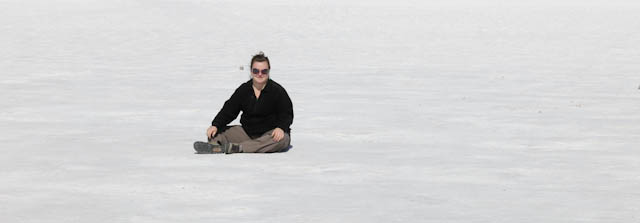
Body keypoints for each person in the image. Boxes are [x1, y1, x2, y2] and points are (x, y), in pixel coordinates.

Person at [193, 52, 293, 154]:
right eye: (256, 71)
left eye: (264, 71)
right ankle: (215, 146)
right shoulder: (244, 90)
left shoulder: (277, 91)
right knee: (216, 133)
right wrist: (215, 125)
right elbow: (229, 110)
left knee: (283, 139)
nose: (260, 74)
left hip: (269, 134)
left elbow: (287, 113)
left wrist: (281, 128)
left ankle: (239, 148)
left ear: (268, 71)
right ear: (251, 71)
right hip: (247, 134)